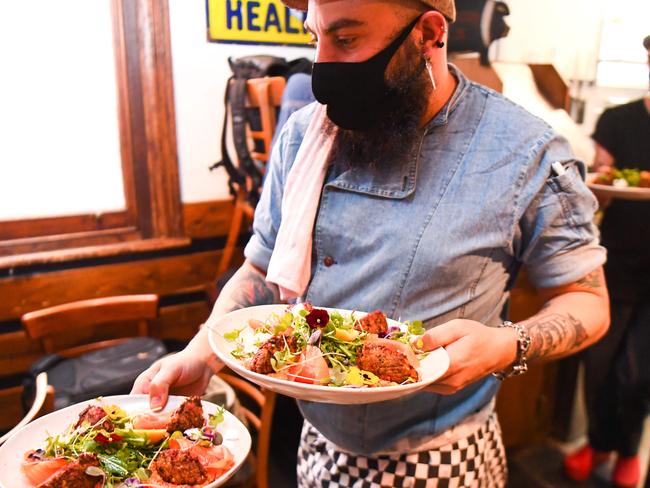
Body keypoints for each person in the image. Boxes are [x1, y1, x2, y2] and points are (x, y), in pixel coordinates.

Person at [133, 0, 610, 485]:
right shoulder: (304, 135)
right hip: (319, 446)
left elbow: (588, 300)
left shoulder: (523, 152)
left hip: (440, 458)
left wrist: (509, 344)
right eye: (313, 38)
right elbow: (261, 269)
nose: (321, 67)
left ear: (428, 33)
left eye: (345, 40)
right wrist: (202, 351)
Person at [564, 35, 650, 488]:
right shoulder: (618, 121)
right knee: (598, 368)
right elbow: (600, 188)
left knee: (639, 375)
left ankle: (629, 451)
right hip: (616, 265)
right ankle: (598, 441)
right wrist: (595, 188)